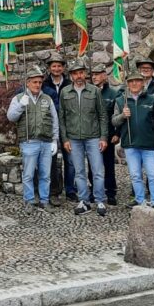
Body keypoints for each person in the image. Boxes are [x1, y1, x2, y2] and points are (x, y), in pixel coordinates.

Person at [57, 58, 108, 217]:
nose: (78, 76)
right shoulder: (65, 92)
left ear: (85, 74)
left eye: (81, 72)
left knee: (98, 170)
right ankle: (84, 201)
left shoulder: (94, 91)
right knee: (79, 171)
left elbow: (102, 116)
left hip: (93, 137)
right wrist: (64, 139)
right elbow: (62, 118)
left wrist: (103, 137)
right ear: (71, 76)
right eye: (75, 73)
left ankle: (99, 200)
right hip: (73, 138)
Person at [113, 73, 154, 218]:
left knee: (153, 175)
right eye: (132, 81)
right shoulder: (120, 101)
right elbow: (114, 122)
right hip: (131, 145)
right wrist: (122, 115)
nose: (135, 84)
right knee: (135, 175)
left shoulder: (152, 100)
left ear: (143, 83)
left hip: (149, 145)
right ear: (128, 84)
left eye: (137, 81)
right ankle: (140, 202)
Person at [7, 66, 59, 211]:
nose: (37, 85)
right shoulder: (19, 98)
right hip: (29, 142)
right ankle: (29, 200)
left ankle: (44, 200)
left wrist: (55, 140)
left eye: (39, 82)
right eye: (34, 82)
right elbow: (11, 117)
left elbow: (54, 120)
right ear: (27, 83)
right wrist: (20, 107)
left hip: (46, 142)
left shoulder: (47, 99)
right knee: (28, 174)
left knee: (45, 174)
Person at [41, 51, 73, 205]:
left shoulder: (69, 84)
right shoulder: (43, 84)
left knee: (70, 159)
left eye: (59, 66)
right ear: (49, 68)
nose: (56, 68)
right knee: (51, 160)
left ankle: (71, 189)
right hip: (50, 125)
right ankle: (54, 191)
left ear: (63, 68)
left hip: (68, 125)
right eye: (53, 66)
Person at [90, 62, 120, 205]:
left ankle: (111, 192)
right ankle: (94, 190)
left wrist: (117, 133)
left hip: (108, 135)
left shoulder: (113, 94)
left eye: (97, 74)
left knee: (108, 165)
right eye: (93, 74)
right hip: (91, 135)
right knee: (92, 165)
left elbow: (117, 115)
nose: (94, 77)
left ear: (104, 76)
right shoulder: (88, 92)